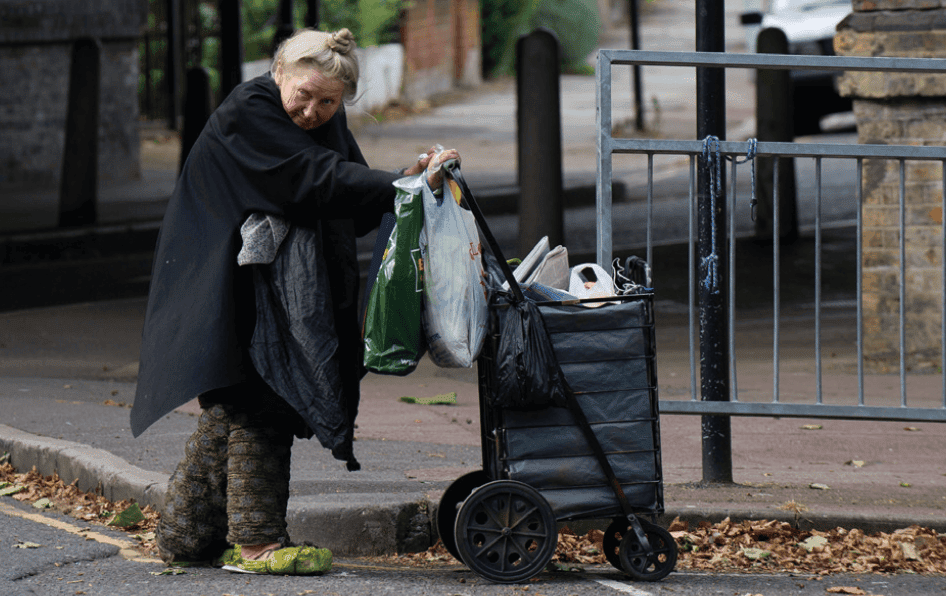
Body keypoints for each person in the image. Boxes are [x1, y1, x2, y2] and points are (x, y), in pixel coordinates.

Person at [130, 27, 459, 575]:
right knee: (262, 397)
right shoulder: (250, 109)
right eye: (302, 95)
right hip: (224, 278)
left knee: (237, 403)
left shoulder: (327, 120)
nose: (311, 111)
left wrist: (407, 178)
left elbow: (348, 201)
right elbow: (310, 179)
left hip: (265, 285)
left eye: (327, 101)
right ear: (278, 73)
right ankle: (257, 543)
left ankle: (184, 535)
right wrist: (395, 188)